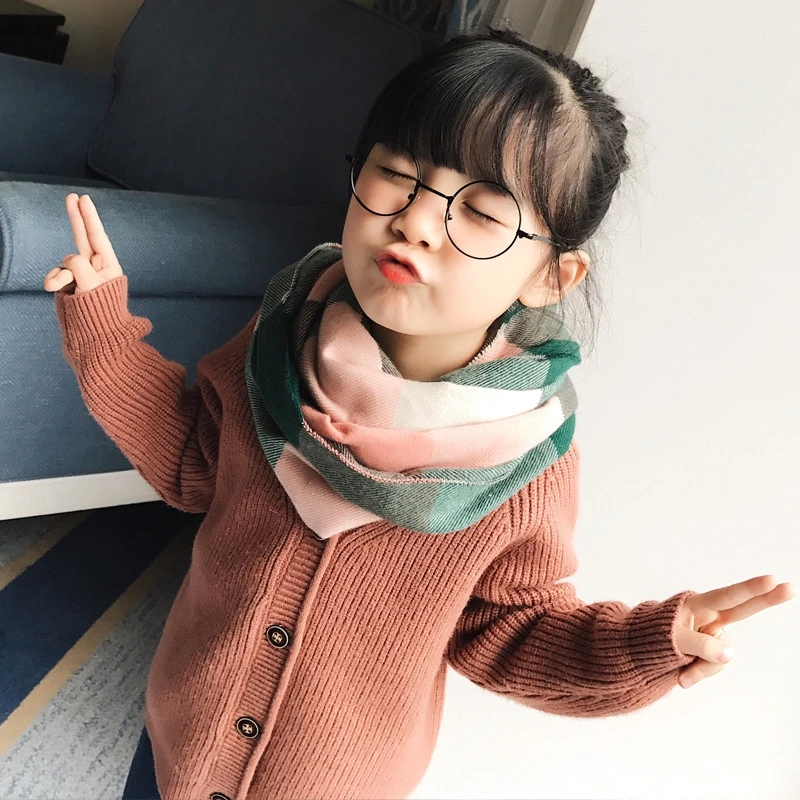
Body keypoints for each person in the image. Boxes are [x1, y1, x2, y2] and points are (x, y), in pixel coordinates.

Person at [43, 28, 792, 800]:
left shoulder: (525, 460)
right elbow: (193, 459)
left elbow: (513, 631)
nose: (417, 222)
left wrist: (647, 645)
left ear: (553, 276)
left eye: (483, 212)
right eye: (397, 176)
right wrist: (103, 328)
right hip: (180, 737)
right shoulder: (279, 339)